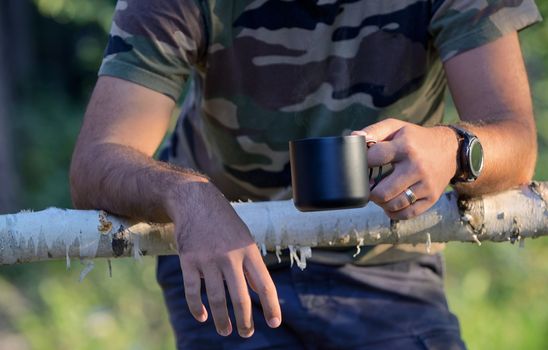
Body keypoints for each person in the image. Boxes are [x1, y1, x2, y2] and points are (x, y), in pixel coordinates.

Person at [70, 1, 540, 348]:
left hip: (386, 263)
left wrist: (453, 149)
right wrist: (187, 196)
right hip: (225, 262)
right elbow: (96, 160)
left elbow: (517, 142)